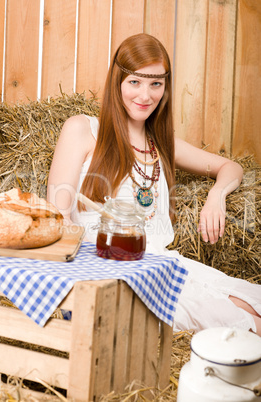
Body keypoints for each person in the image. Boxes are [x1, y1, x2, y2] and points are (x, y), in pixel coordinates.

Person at [47, 33, 261, 335]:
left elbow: (231, 167)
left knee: (252, 303)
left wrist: (217, 196)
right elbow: (59, 217)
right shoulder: (83, 130)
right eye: (135, 82)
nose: (145, 95)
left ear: (165, 88)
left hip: (162, 261)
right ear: (117, 82)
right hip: (111, 271)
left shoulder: (161, 145)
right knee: (247, 325)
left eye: (155, 83)